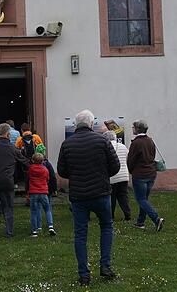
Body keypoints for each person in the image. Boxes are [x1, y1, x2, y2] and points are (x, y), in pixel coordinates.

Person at [58, 110, 120, 285]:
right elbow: (115, 166)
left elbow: (62, 171)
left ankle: (84, 274)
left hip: (79, 196)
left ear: (77, 124)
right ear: (92, 124)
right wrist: (102, 174)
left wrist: (77, 174)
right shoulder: (102, 141)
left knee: (80, 235)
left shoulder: (67, 144)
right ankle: (105, 266)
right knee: (106, 227)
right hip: (101, 192)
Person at [127, 119, 165, 231]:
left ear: (137, 129)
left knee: (141, 199)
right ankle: (140, 222)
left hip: (140, 175)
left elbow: (131, 160)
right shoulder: (150, 141)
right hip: (151, 173)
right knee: (144, 199)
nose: (132, 129)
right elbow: (152, 156)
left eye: (133, 127)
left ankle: (156, 219)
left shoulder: (136, 143)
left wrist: (131, 170)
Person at [28, 153, 55, 237]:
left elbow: (28, 177)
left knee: (34, 211)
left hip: (33, 192)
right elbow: (47, 179)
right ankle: (50, 226)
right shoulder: (45, 170)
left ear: (33, 160)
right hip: (43, 192)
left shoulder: (31, 169)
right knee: (47, 209)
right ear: (43, 161)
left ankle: (34, 230)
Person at [106, 130, 131, 221]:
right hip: (124, 175)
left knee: (112, 197)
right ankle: (127, 214)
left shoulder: (106, 147)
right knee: (123, 196)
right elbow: (127, 158)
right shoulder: (123, 146)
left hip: (112, 176)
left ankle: (111, 215)